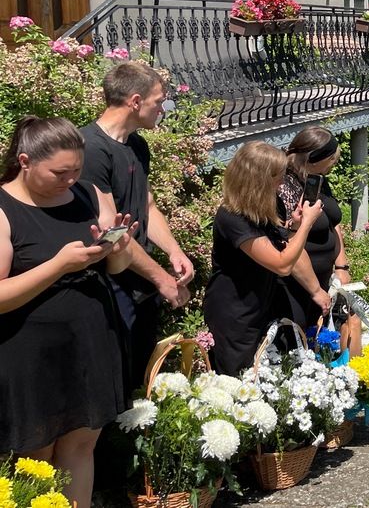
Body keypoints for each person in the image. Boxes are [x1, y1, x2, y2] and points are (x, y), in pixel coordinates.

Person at [0, 116, 137, 508]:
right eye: (60, 173)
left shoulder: (88, 193)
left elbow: (116, 269)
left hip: (90, 341)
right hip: (31, 353)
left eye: (76, 169)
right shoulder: (4, 208)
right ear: (25, 161)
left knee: (81, 445)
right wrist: (58, 265)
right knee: (36, 455)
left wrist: (118, 249)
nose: (71, 179)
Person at [80, 62, 191, 392]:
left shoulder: (136, 145)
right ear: (136, 101)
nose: (162, 109)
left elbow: (147, 205)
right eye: (159, 101)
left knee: (140, 377)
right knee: (116, 382)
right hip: (110, 285)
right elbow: (111, 233)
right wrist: (162, 279)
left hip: (139, 280)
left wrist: (174, 251)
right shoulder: (91, 149)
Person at [205, 142, 323, 375]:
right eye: (278, 177)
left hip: (261, 303)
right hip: (235, 311)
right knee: (236, 376)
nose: (282, 182)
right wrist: (307, 225)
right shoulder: (233, 217)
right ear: (259, 180)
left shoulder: (267, 205)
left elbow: (280, 243)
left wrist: (295, 225)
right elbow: (282, 264)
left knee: (264, 372)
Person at [276, 127, 344, 330]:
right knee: (301, 338)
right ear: (313, 159)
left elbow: (333, 222)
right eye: (331, 158)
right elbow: (288, 241)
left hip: (325, 278)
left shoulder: (317, 179)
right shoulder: (284, 186)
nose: (334, 162)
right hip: (298, 285)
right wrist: (314, 289)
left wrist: (342, 266)